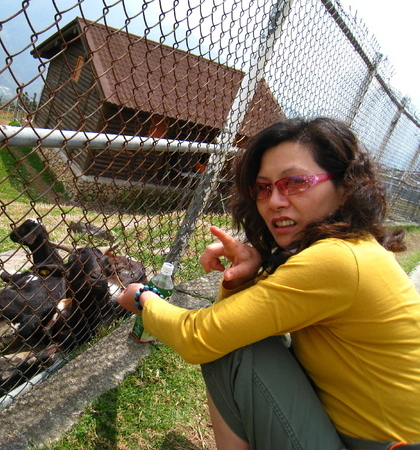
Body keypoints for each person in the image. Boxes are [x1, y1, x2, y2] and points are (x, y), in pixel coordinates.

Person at [118, 117, 420, 449]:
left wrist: (144, 299)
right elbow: (237, 321)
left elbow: (201, 337)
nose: (274, 200)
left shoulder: (337, 260)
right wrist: (241, 279)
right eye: (263, 187)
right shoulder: (355, 247)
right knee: (238, 341)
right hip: (369, 434)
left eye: (295, 182)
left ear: (345, 187)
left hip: (384, 444)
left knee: (234, 351)